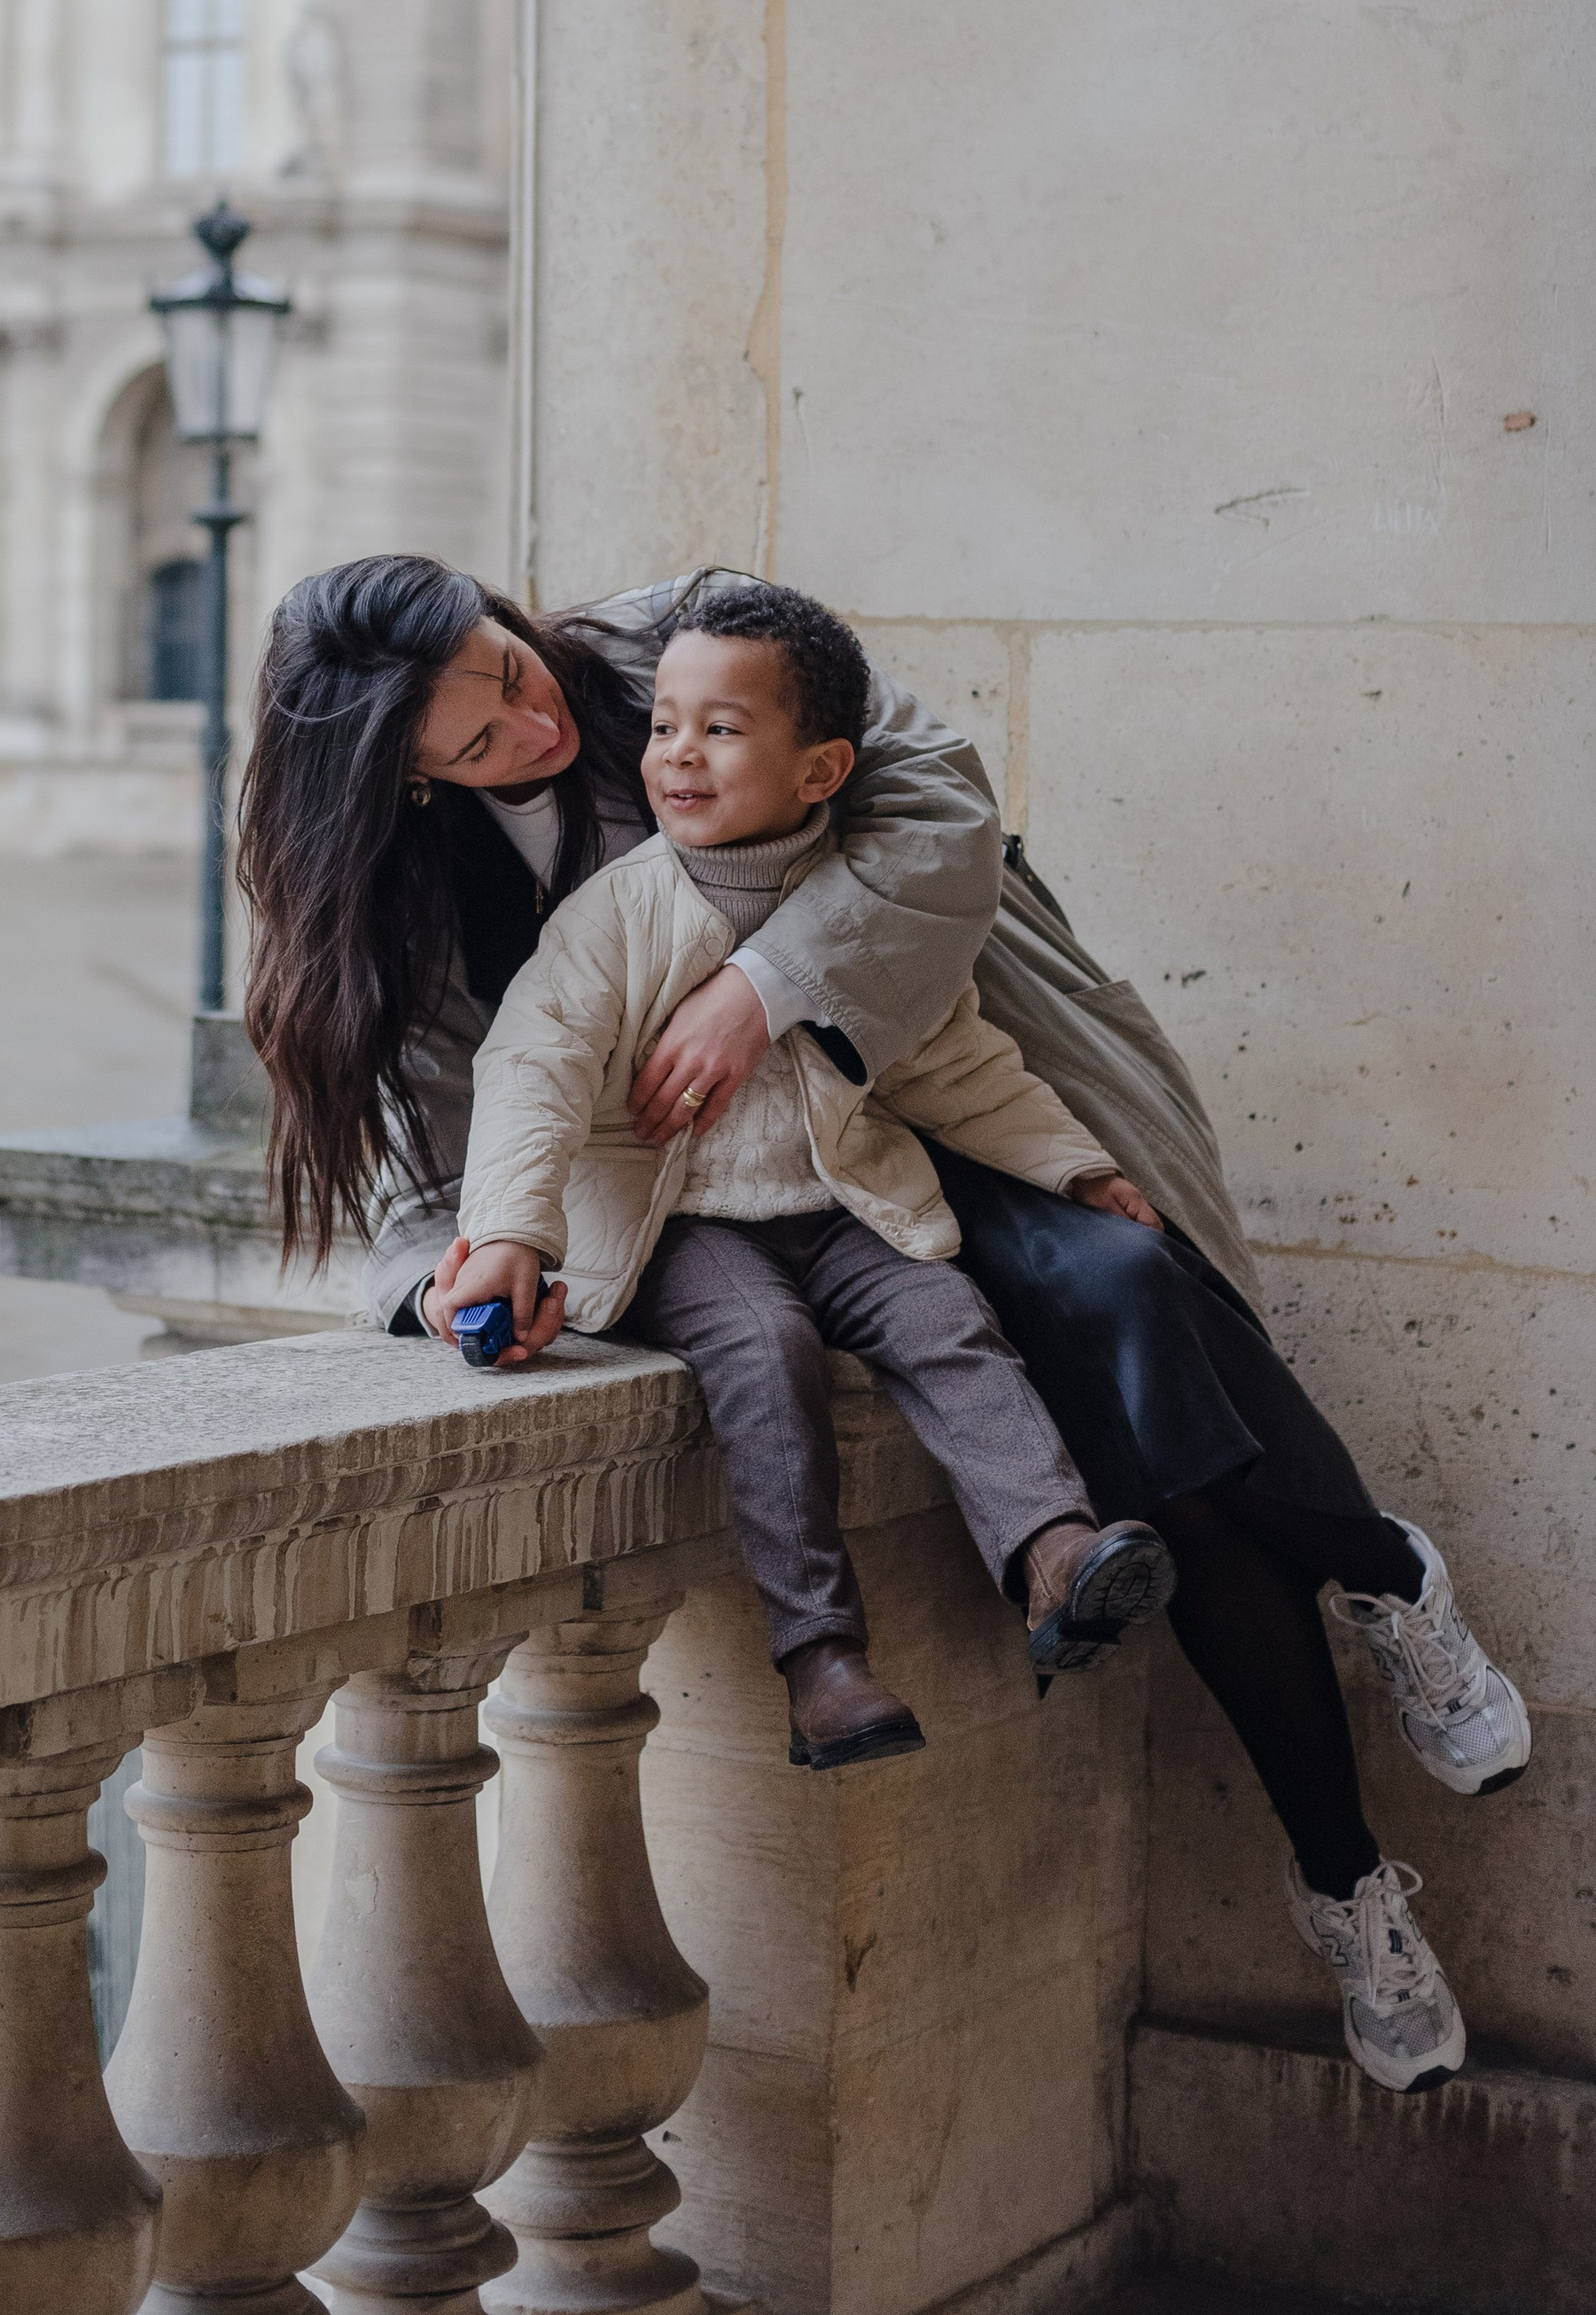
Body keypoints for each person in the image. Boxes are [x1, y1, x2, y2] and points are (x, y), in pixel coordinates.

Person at [239, 557, 1531, 2094]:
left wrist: (765, 988)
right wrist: (467, 1275)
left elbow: (939, 811)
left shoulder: (689, 645)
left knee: (1136, 1316)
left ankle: (1382, 1620)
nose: (531, 720)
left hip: (926, 1088)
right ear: (401, 780)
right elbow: (438, 1163)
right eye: (473, 741)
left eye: (509, 667)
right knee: (1152, 1464)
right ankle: (1355, 1833)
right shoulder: (397, 910)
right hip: (718, 1222)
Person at [455, 582, 1178, 1765]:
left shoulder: (860, 913)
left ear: (822, 768)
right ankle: (821, 1658)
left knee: (951, 1320)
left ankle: (1056, 1549)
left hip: (843, 1201)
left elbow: (957, 1063)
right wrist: (511, 1235)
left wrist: (1075, 1169)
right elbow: (530, 1070)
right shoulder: (614, 916)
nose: (679, 752)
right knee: (765, 1347)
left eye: (722, 729)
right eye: (665, 726)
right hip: (684, 1222)